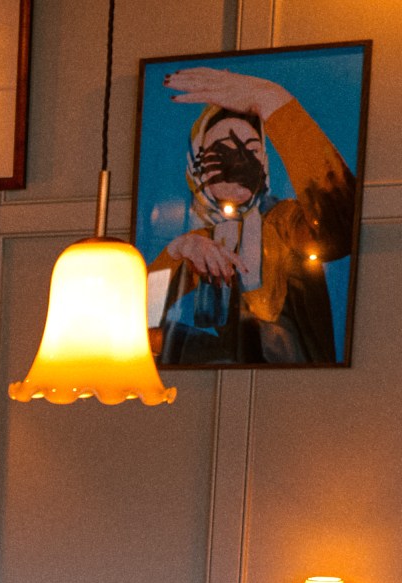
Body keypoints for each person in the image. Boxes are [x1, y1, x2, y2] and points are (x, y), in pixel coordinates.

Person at [149, 65, 355, 366]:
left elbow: (341, 224)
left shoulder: (284, 221)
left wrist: (270, 99)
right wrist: (177, 250)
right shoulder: (200, 242)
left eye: (252, 150)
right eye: (223, 150)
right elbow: (136, 316)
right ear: (196, 164)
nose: (239, 161)